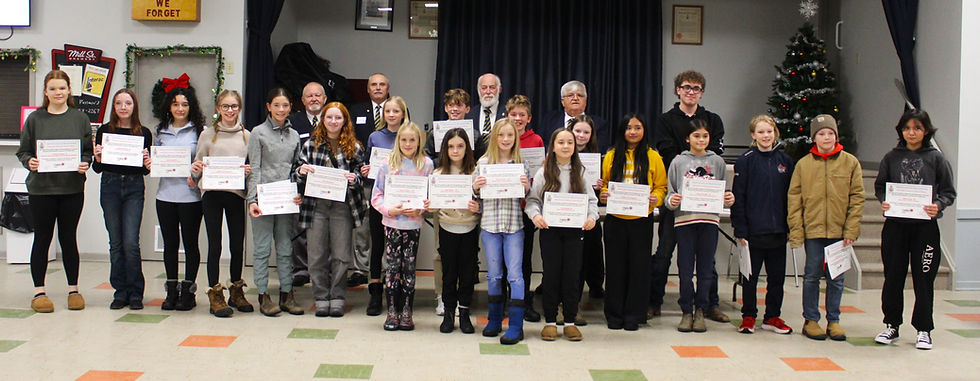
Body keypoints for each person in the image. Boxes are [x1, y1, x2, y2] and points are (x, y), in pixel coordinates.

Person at [873, 109, 955, 350]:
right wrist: (885, 201)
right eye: (907, 128)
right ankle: (891, 325)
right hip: (895, 227)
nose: (911, 132)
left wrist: (937, 206)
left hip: (925, 230)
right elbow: (880, 187)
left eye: (917, 128)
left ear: (926, 131)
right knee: (893, 276)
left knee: (924, 279)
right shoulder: (891, 157)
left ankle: (923, 329)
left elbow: (948, 192)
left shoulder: (936, 158)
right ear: (901, 130)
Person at [650, 70, 727, 322]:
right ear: (678, 90)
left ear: (702, 92)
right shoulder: (665, 120)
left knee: (707, 260)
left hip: (704, 205)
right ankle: (654, 302)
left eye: (696, 88)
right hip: (678, 203)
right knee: (664, 253)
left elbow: (715, 153)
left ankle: (710, 305)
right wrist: (688, 163)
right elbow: (667, 152)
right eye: (686, 87)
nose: (691, 91)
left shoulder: (712, 119)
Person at [17, 70, 93, 313]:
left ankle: (73, 289)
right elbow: (23, 151)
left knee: (68, 238)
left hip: (71, 188)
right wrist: (30, 162)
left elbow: (87, 150)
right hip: (41, 189)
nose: (58, 93)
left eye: (62, 88)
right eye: (53, 89)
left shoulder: (80, 118)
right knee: (42, 238)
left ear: (69, 90)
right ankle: (39, 291)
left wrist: (85, 162)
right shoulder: (35, 119)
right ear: (46, 92)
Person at [788, 114, 864, 341]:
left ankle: (834, 320)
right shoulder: (803, 165)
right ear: (814, 138)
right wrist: (796, 230)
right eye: (821, 134)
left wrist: (851, 230)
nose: (826, 137)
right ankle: (811, 319)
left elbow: (857, 197)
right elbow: (795, 198)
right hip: (813, 232)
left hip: (839, 233)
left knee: (836, 278)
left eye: (830, 133)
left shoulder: (850, 162)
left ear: (836, 136)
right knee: (811, 276)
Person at [294, 102, 368, 318]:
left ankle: (337, 295)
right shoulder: (310, 145)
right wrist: (301, 170)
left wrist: (355, 178)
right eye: (329, 118)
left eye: (338, 118)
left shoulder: (354, 147)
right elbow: (295, 173)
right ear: (323, 120)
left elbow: (361, 175)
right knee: (316, 255)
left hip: (342, 206)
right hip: (315, 206)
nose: (334, 122)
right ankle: (320, 296)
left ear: (345, 121)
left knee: (341, 255)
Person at [525, 129, 599, 341]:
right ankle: (549, 320)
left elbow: (592, 201)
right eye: (561, 142)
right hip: (550, 231)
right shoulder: (544, 172)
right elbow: (532, 201)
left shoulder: (580, 172)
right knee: (551, 275)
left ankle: (569, 321)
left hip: (575, 232)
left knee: (571, 276)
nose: (566, 146)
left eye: (570, 142)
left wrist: (591, 217)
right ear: (553, 146)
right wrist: (535, 216)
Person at [665, 119, 734, 333]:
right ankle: (686, 311)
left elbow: (724, 193)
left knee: (705, 269)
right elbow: (670, 194)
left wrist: (728, 199)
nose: (701, 140)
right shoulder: (678, 162)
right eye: (696, 136)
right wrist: (671, 201)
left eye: (704, 136)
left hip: (709, 221)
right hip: (685, 221)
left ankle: (701, 310)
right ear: (687, 139)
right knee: (685, 270)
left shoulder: (718, 163)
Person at [599, 113, 666, 330]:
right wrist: (605, 193)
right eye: (629, 127)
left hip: (641, 220)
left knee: (639, 268)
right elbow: (605, 184)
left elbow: (661, 187)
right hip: (616, 220)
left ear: (644, 130)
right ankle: (614, 314)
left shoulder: (653, 156)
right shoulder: (611, 155)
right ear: (622, 131)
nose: (633, 132)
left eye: (638, 127)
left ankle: (634, 314)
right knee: (616, 267)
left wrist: (657, 199)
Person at [191, 90, 253, 318]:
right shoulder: (208, 135)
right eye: (225, 106)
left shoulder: (247, 136)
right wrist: (195, 170)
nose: (230, 110)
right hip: (212, 194)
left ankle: (236, 290)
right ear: (218, 109)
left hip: (235, 193)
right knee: (215, 244)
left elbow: (251, 165)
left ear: (239, 108)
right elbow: (197, 163)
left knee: (237, 245)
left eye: (234, 106)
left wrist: (248, 171)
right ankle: (215, 293)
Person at [731, 115, 794, 335]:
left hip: (778, 232)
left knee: (776, 279)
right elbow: (738, 197)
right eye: (761, 132)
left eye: (769, 131)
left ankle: (772, 317)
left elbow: (792, 197)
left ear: (774, 133)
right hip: (752, 232)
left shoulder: (785, 162)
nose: (766, 136)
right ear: (753, 135)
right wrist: (740, 229)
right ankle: (748, 316)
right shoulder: (745, 160)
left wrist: (790, 227)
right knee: (750, 278)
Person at [246, 87, 304, 316]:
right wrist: (252, 199)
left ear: (291, 107)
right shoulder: (257, 133)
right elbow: (255, 168)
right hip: (263, 199)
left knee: (285, 248)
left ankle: (287, 295)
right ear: (268, 106)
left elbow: (297, 168)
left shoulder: (295, 136)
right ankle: (262, 294)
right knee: (261, 249)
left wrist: (298, 191)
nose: (281, 109)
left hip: (286, 200)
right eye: (277, 105)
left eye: (286, 105)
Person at [93, 88, 153, 310]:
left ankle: (136, 292)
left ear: (134, 106)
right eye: (119, 103)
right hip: (109, 186)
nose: (123, 107)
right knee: (115, 243)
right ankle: (120, 292)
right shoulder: (104, 131)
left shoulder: (143, 133)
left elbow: (146, 171)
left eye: (128, 103)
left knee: (130, 242)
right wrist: (97, 158)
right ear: (114, 107)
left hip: (133, 187)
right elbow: (97, 168)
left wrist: (148, 162)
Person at [473, 118, 531, 345]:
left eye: (510, 135)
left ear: (515, 138)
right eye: (501, 135)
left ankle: (516, 326)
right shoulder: (484, 162)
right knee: (494, 274)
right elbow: (475, 195)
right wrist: (475, 186)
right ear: (494, 137)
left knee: (515, 275)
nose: (506, 139)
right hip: (490, 225)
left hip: (514, 225)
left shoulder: (520, 162)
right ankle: (494, 320)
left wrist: (526, 187)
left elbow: (526, 196)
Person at [371, 122, 434, 331]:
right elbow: (376, 196)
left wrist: (423, 208)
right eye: (404, 140)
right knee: (392, 268)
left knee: (408, 268)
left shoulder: (426, 164)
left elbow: (430, 196)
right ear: (398, 141)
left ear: (419, 142)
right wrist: (390, 209)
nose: (408, 144)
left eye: (412, 140)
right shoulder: (387, 164)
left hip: (413, 225)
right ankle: (391, 311)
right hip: (392, 224)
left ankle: (406, 310)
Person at [152, 85, 205, 312]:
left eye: (184, 104)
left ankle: (188, 291)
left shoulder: (200, 131)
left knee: (191, 245)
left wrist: (197, 173)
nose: (180, 108)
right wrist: (150, 162)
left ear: (190, 106)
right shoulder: (160, 130)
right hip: (165, 196)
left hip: (191, 197)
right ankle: (171, 290)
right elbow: (154, 159)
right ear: (169, 106)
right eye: (175, 104)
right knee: (170, 245)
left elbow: (204, 161)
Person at [422, 88, 474, 316]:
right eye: (451, 105)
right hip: (443, 202)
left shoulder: (476, 135)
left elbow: (479, 164)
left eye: (459, 105)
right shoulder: (435, 133)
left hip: (467, 212)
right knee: (441, 255)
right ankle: (442, 297)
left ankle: (464, 301)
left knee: (467, 259)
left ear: (467, 109)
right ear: (445, 108)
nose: (454, 109)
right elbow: (427, 157)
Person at [360, 95, 410, 316]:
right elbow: (370, 167)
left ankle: (398, 291)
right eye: (387, 111)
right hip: (380, 200)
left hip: (403, 199)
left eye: (395, 111)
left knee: (400, 249)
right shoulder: (375, 136)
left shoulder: (410, 135)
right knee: (377, 245)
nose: (391, 115)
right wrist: (365, 170)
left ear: (403, 113)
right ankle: (375, 292)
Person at [431, 128, 481, 333]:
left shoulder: (475, 172)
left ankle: (465, 312)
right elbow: (433, 207)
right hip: (446, 227)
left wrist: (477, 205)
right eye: (451, 146)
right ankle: (449, 313)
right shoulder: (438, 173)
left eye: (460, 146)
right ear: (445, 149)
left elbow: (482, 199)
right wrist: (428, 203)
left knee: (467, 273)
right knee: (449, 273)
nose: (455, 150)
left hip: (469, 228)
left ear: (467, 148)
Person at [349, 73, 391, 289]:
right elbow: (351, 139)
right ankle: (360, 268)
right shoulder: (357, 110)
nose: (377, 88)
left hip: (390, 181)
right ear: (367, 89)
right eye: (373, 84)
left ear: (388, 88)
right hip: (366, 178)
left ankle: (384, 267)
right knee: (363, 225)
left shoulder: (396, 109)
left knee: (386, 225)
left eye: (381, 84)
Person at [507, 94, 545, 323]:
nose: (518, 118)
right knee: (504, 258)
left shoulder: (537, 140)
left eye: (522, 115)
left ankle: (524, 301)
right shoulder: (500, 137)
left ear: (529, 118)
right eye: (514, 114)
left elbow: (542, 176)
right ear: (507, 116)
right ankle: (503, 299)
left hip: (526, 207)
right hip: (505, 206)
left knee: (525, 258)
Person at [287, 81, 327, 287]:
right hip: (300, 183)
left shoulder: (332, 120)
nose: (314, 99)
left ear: (325, 99)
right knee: (299, 227)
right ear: (302, 100)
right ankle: (301, 269)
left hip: (326, 184)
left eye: (318, 95)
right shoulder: (293, 122)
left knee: (325, 227)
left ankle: (323, 268)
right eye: (309, 96)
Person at [570, 114, 606, 302]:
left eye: (586, 132)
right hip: (569, 210)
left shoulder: (597, 156)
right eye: (577, 131)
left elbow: (603, 192)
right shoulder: (562, 152)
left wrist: (600, 185)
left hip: (589, 210)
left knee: (593, 248)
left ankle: (596, 284)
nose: (581, 135)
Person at [538, 80, 610, 152]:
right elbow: (541, 145)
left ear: (586, 100)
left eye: (580, 95)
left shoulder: (599, 124)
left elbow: (599, 149)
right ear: (562, 101)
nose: (575, 98)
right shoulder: (549, 120)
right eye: (570, 95)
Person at [466, 73, 507, 158]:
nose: (488, 92)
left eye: (492, 87)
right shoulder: (469, 115)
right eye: (484, 88)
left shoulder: (507, 113)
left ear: (499, 90)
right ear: (478, 90)